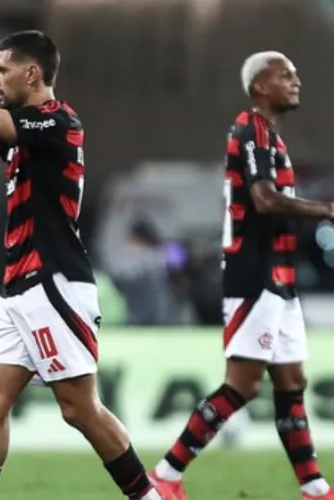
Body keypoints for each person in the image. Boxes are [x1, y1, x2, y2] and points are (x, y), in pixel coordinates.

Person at [0, 17, 162, 500]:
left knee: (79, 409)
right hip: (17, 289)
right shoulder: (25, 135)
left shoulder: (55, 122)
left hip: (54, 283)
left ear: (31, 74)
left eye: (1, 69)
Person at [149, 51, 333, 500]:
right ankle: (167, 473)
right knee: (243, 384)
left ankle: (314, 488)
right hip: (256, 276)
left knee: (291, 383)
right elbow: (264, 200)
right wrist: (325, 209)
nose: (296, 80)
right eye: (285, 74)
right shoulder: (250, 128)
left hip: (280, 278)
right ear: (259, 87)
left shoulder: (272, 137)